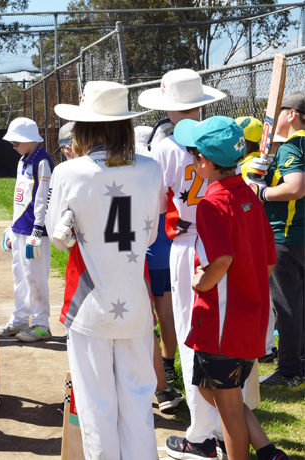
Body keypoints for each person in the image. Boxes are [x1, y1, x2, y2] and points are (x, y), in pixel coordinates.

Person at [46, 81, 162, 460]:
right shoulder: (150, 168)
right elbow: (150, 234)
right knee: (139, 405)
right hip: (135, 300)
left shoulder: (69, 172)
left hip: (90, 303)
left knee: (96, 408)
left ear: (83, 126)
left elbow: (58, 238)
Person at [174, 116, 290, 460]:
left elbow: (222, 259)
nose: (193, 159)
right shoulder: (249, 196)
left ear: (206, 163)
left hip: (221, 323)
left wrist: (200, 281)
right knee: (218, 394)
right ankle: (268, 452)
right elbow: (268, 262)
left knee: (227, 406)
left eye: (194, 155)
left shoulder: (212, 204)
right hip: (248, 318)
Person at [138, 68, 231, 459]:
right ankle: (227, 427)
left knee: (194, 336)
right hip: (224, 244)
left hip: (187, 247)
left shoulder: (164, 148)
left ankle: (202, 434)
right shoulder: (220, 138)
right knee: (221, 333)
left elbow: (157, 205)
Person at [246, 92, 305, 389]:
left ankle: (290, 371)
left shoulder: (293, 145)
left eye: (281, 111)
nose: (275, 117)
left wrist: (263, 192)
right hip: (299, 236)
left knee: (287, 305)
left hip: (287, 235)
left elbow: (296, 187)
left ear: (291, 114)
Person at [135, 126, 185, 412]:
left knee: (149, 317)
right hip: (170, 252)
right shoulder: (174, 172)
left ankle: (159, 372)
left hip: (149, 257)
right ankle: (166, 365)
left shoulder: (144, 176)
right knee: (165, 314)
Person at [0, 117, 55, 342]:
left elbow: (44, 198)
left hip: (34, 231)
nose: (13, 146)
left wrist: (37, 230)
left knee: (36, 277)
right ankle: (20, 320)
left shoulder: (43, 162)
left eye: (16, 141)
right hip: (20, 229)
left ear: (29, 139)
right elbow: (19, 196)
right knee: (20, 277)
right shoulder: (23, 160)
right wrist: (12, 228)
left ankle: (42, 324)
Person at [234, 116, 279, 364]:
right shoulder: (254, 162)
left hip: (253, 234)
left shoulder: (252, 164)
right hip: (258, 232)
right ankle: (266, 345)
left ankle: (266, 346)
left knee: (259, 289)